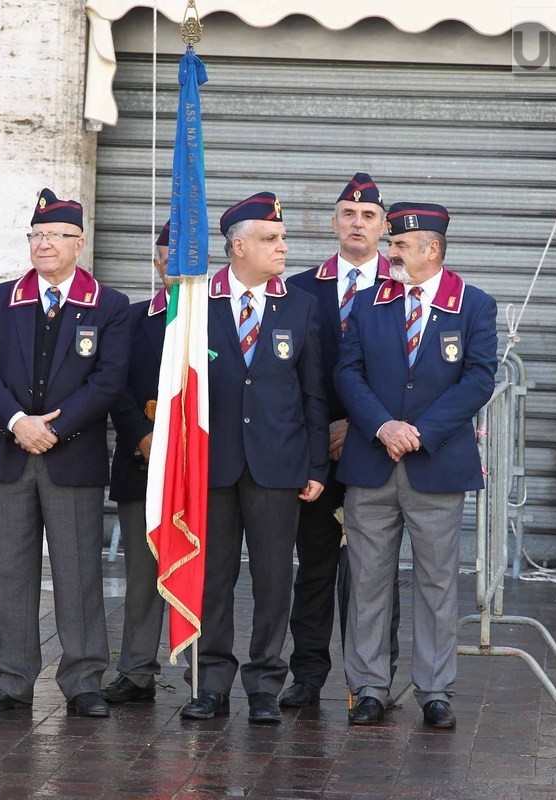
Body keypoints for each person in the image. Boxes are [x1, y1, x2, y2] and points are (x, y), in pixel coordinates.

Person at [0, 189, 130, 715]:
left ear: (79, 243)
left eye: (56, 235)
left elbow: (108, 383)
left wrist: (52, 430)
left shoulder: (109, 304)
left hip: (71, 456)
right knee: (9, 571)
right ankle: (11, 680)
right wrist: (18, 422)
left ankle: (83, 680)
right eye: (36, 235)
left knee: (79, 570)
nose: (44, 244)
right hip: (11, 454)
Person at [336, 202, 497, 728]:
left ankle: (434, 689)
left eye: (400, 246)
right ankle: (368, 687)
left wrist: (420, 432)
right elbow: (348, 373)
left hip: (436, 465)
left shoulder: (473, 305)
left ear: (432, 249)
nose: (390, 252)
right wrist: (384, 426)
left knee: (435, 581)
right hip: (372, 461)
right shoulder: (367, 303)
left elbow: (478, 380)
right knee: (367, 581)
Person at [180, 192, 327, 725]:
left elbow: (313, 393)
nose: (282, 247)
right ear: (237, 246)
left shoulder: (299, 305)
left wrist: (315, 467)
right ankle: (210, 682)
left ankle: (265, 683)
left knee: (273, 580)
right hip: (212, 465)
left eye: (282, 238)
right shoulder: (198, 300)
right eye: (271, 239)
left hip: (277, 465)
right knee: (212, 578)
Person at [281, 172, 401, 709]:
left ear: (384, 228)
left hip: (377, 447)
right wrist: (320, 432)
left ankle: (371, 680)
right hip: (315, 452)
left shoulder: (403, 288)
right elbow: (288, 375)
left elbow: (410, 373)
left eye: (369, 216)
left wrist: (360, 425)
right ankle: (307, 674)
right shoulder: (300, 287)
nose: (358, 224)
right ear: (334, 223)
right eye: (348, 215)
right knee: (314, 566)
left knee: (374, 572)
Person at [102, 223, 170, 705]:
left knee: (205, 574)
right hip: (142, 461)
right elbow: (115, 384)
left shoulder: (221, 316)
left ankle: (204, 674)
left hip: (206, 469)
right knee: (143, 574)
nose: (175, 265)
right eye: (167, 256)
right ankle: (138, 669)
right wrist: (141, 436)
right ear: (156, 262)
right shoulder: (132, 317)